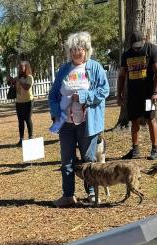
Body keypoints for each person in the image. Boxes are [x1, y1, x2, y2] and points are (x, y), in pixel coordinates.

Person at [48, 32, 110, 207]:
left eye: (80, 49)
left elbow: (104, 91)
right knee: (66, 161)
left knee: (88, 160)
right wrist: (55, 113)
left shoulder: (95, 67)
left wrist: (83, 96)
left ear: (87, 50)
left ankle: (92, 193)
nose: (77, 52)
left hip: (87, 123)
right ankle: (68, 195)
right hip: (66, 123)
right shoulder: (64, 70)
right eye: (74, 49)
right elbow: (52, 95)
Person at [117, 30, 157, 160]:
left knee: (150, 118)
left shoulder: (152, 50)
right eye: (134, 45)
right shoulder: (127, 54)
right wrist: (119, 94)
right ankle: (135, 149)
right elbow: (121, 75)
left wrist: (155, 91)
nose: (137, 47)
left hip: (148, 94)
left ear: (144, 40)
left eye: (139, 44)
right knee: (134, 120)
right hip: (133, 95)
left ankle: (155, 148)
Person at [7, 61, 35, 146]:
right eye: (18, 67)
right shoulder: (17, 77)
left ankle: (30, 137)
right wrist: (10, 80)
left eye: (21, 67)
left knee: (28, 119)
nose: (19, 69)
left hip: (28, 101)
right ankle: (21, 139)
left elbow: (26, 87)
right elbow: (10, 84)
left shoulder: (29, 77)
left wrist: (19, 80)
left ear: (25, 68)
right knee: (20, 121)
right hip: (19, 102)